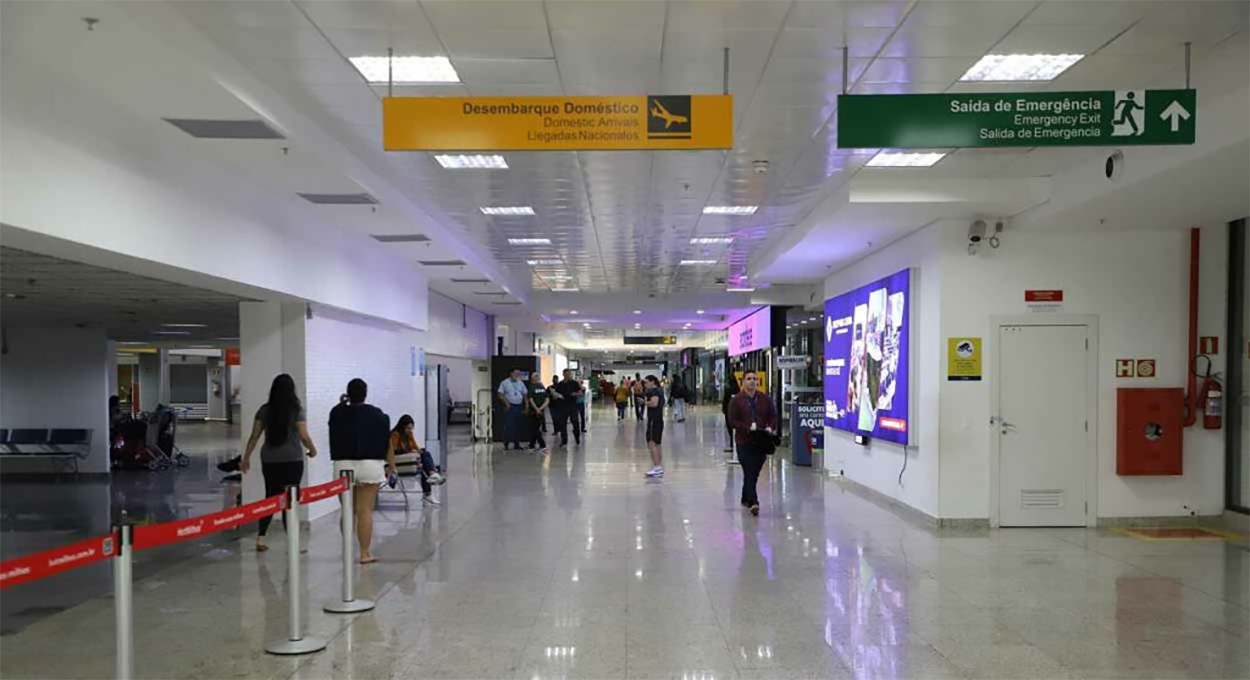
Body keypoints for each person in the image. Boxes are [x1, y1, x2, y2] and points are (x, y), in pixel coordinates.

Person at [241, 374, 317, 552]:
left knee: (270, 497)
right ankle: (293, 541)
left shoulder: (264, 410)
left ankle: (261, 538)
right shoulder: (297, 410)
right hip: (292, 459)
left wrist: (246, 458)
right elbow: (304, 436)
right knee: (290, 500)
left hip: (270, 459)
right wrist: (312, 449)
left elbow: (254, 436)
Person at [328, 378, 396, 564]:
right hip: (370, 465)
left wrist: (342, 403)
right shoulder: (379, 415)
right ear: (366, 394)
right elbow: (387, 444)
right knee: (364, 511)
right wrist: (392, 465)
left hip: (343, 465)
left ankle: (347, 550)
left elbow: (337, 415)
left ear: (348, 394)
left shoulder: (337, 413)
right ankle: (365, 553)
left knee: (347, 510)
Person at [727, 371, 778, 516]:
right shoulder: (736, 400)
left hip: (761, 441)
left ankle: (745, 497)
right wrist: (747, 428)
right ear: (743, 382)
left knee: (753, 472)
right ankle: (754, 502)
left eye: (755, 379)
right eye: (749, 379)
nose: (752, 381)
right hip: (744, 441)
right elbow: (732, 421)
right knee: (749, 469)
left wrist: (770, 426)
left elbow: (773, 415)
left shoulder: (764, 399)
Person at [390, 414, 444, 507]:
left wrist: (419, 451)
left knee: (425, 456)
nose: (409, 430)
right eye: (407, 428)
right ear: (402, 426)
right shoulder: (395, 434)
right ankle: (430, 482)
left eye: (411, 428)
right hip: (399, 461)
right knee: (424, 464)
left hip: (409, 460)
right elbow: (393, 451)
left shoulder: (409, 434)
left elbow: (415, 446)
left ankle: (431, 475)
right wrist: (409, 451)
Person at [496, 368, 528, 450]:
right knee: (509, 425)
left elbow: (525, 395)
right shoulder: (505, 382)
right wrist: (506, 403)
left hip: (519, 406)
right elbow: (500, 394)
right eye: (516, 373)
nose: (517, 375)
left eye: (518, 374)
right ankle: (506, 443)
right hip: (510, 406)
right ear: (511, 373)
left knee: (518, 425)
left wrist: (526, 406)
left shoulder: (520, 383)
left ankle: (516, 444)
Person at [551, 369, 583, 447]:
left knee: (575, 422)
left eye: (569, 374)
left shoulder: (574, 383)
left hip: (572, 406)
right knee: (562, 424)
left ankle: (577, 437)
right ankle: (564, 440)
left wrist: (575, 394)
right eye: (566, 374)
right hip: (562, 406)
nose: (568, 376)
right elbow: (556, 393)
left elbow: (580, 392)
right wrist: (555, 396)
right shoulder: (560, 384)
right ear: (563, 375)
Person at [643, 375, 666, 478]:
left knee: (651, 443)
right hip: (658, 419)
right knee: (657, 443)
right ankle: (658, 466)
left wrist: (644, 402)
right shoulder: (660, 390)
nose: (645, 385)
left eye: (647, 382)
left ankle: (657, 467)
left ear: (653, 382)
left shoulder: (654, 391)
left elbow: (654, 403)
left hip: (654, 420)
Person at [526, 372, 551, 454]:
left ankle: (542, 446)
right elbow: (547, 400)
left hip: (534, 411)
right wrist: (541, 408)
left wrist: (537, 409)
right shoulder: (542, 388)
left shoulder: (532, 387)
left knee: (535, 429)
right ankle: (532, 445)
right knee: (535, 428)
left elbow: (531, 399)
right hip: (540, 411)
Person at [721, 374, 740, 454]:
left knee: (730, 428)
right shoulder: (738, 390)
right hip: (736, 412)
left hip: (728, 412)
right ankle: (735, 445)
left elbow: (725, 401)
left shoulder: (728, 390)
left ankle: (733, 445)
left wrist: (724, 409)